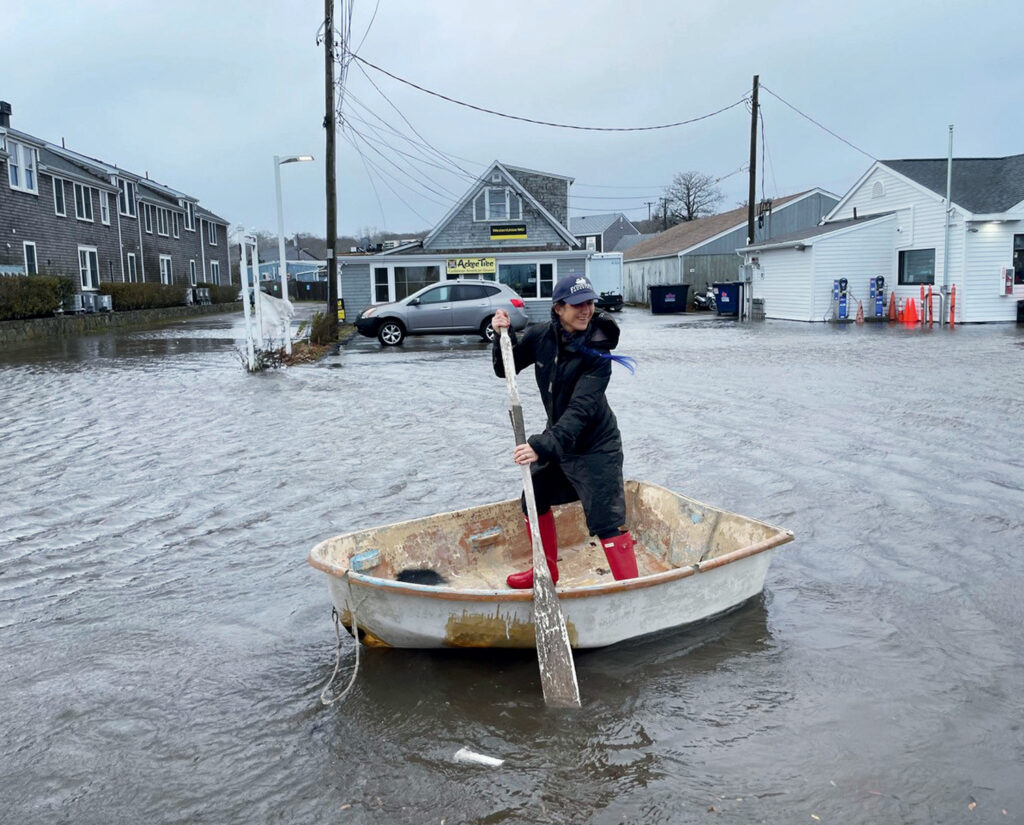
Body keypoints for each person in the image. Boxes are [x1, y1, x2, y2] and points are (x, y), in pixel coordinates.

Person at [491, 274, 639, 589]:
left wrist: (541, 445)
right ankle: (546, 571)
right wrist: (500, 335)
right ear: (558, 308)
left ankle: (631, 588)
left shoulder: (598, 353)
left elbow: (581, 410)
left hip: (597, 446)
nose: (586, 310)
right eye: (577, 305)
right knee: (534, 495)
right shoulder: (541, 337)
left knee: (606, 519)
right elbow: (506, 367)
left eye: (589, 303)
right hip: (560, 440)